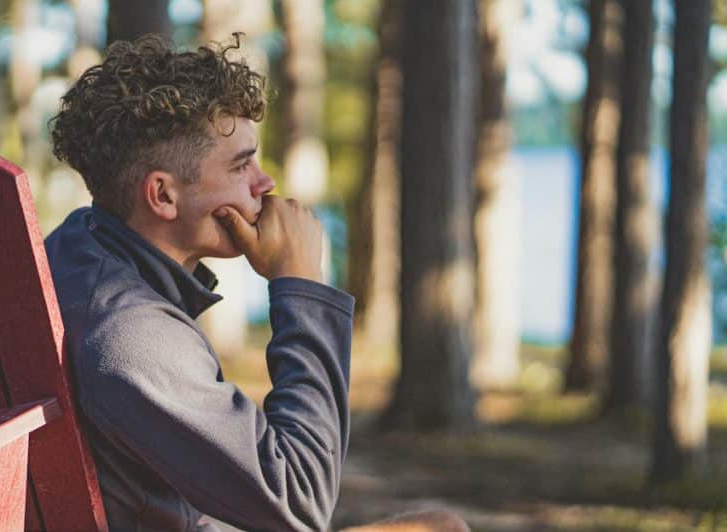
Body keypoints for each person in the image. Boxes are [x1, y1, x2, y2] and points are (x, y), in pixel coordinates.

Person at [45, 34, 467, 532]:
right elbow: (300, 502)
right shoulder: (130, 333)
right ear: (162, 194)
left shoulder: (73, 248)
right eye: (241, 165)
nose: (264, 184)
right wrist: (301, 287)